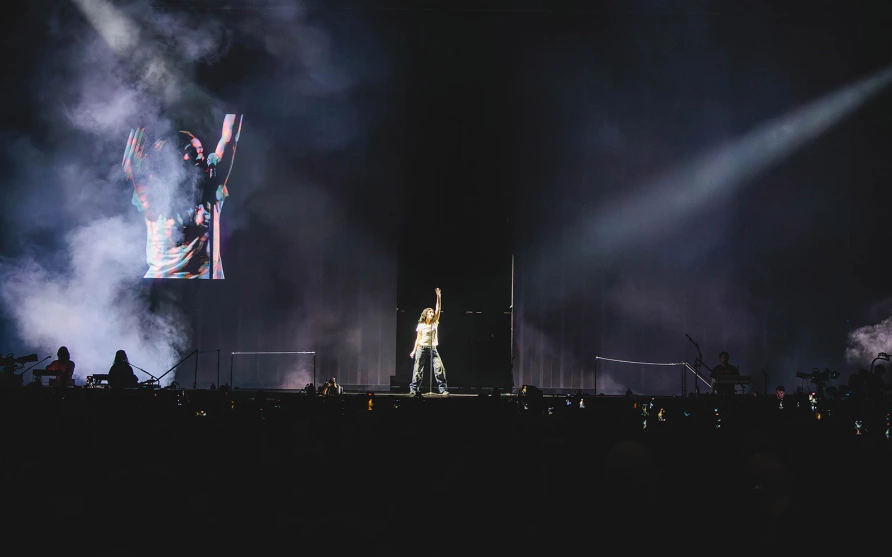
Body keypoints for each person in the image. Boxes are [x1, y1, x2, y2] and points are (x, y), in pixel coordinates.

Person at [123, 114, 241, 279]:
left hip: (203, 284)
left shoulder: (210, 189)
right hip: (161, 282)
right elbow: (132, 165)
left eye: (200, 151)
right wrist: (139, 121)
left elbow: (229, 141)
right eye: (192, 151)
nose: (201, 156)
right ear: (174, 158)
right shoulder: (154, 193)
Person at [409, 288, 448, 395]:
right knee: (417, 369)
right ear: (426, 314)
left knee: (439, 368)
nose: (432, 313)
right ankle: (414, 389)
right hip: (421, 348)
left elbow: (438, 309)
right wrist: (413, 351)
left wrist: (439, 297)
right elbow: (418, 339)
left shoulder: (434, 323)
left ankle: (443, 389)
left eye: (432, 312)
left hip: (433, 348)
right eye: (430, 312)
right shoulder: (421, 325)